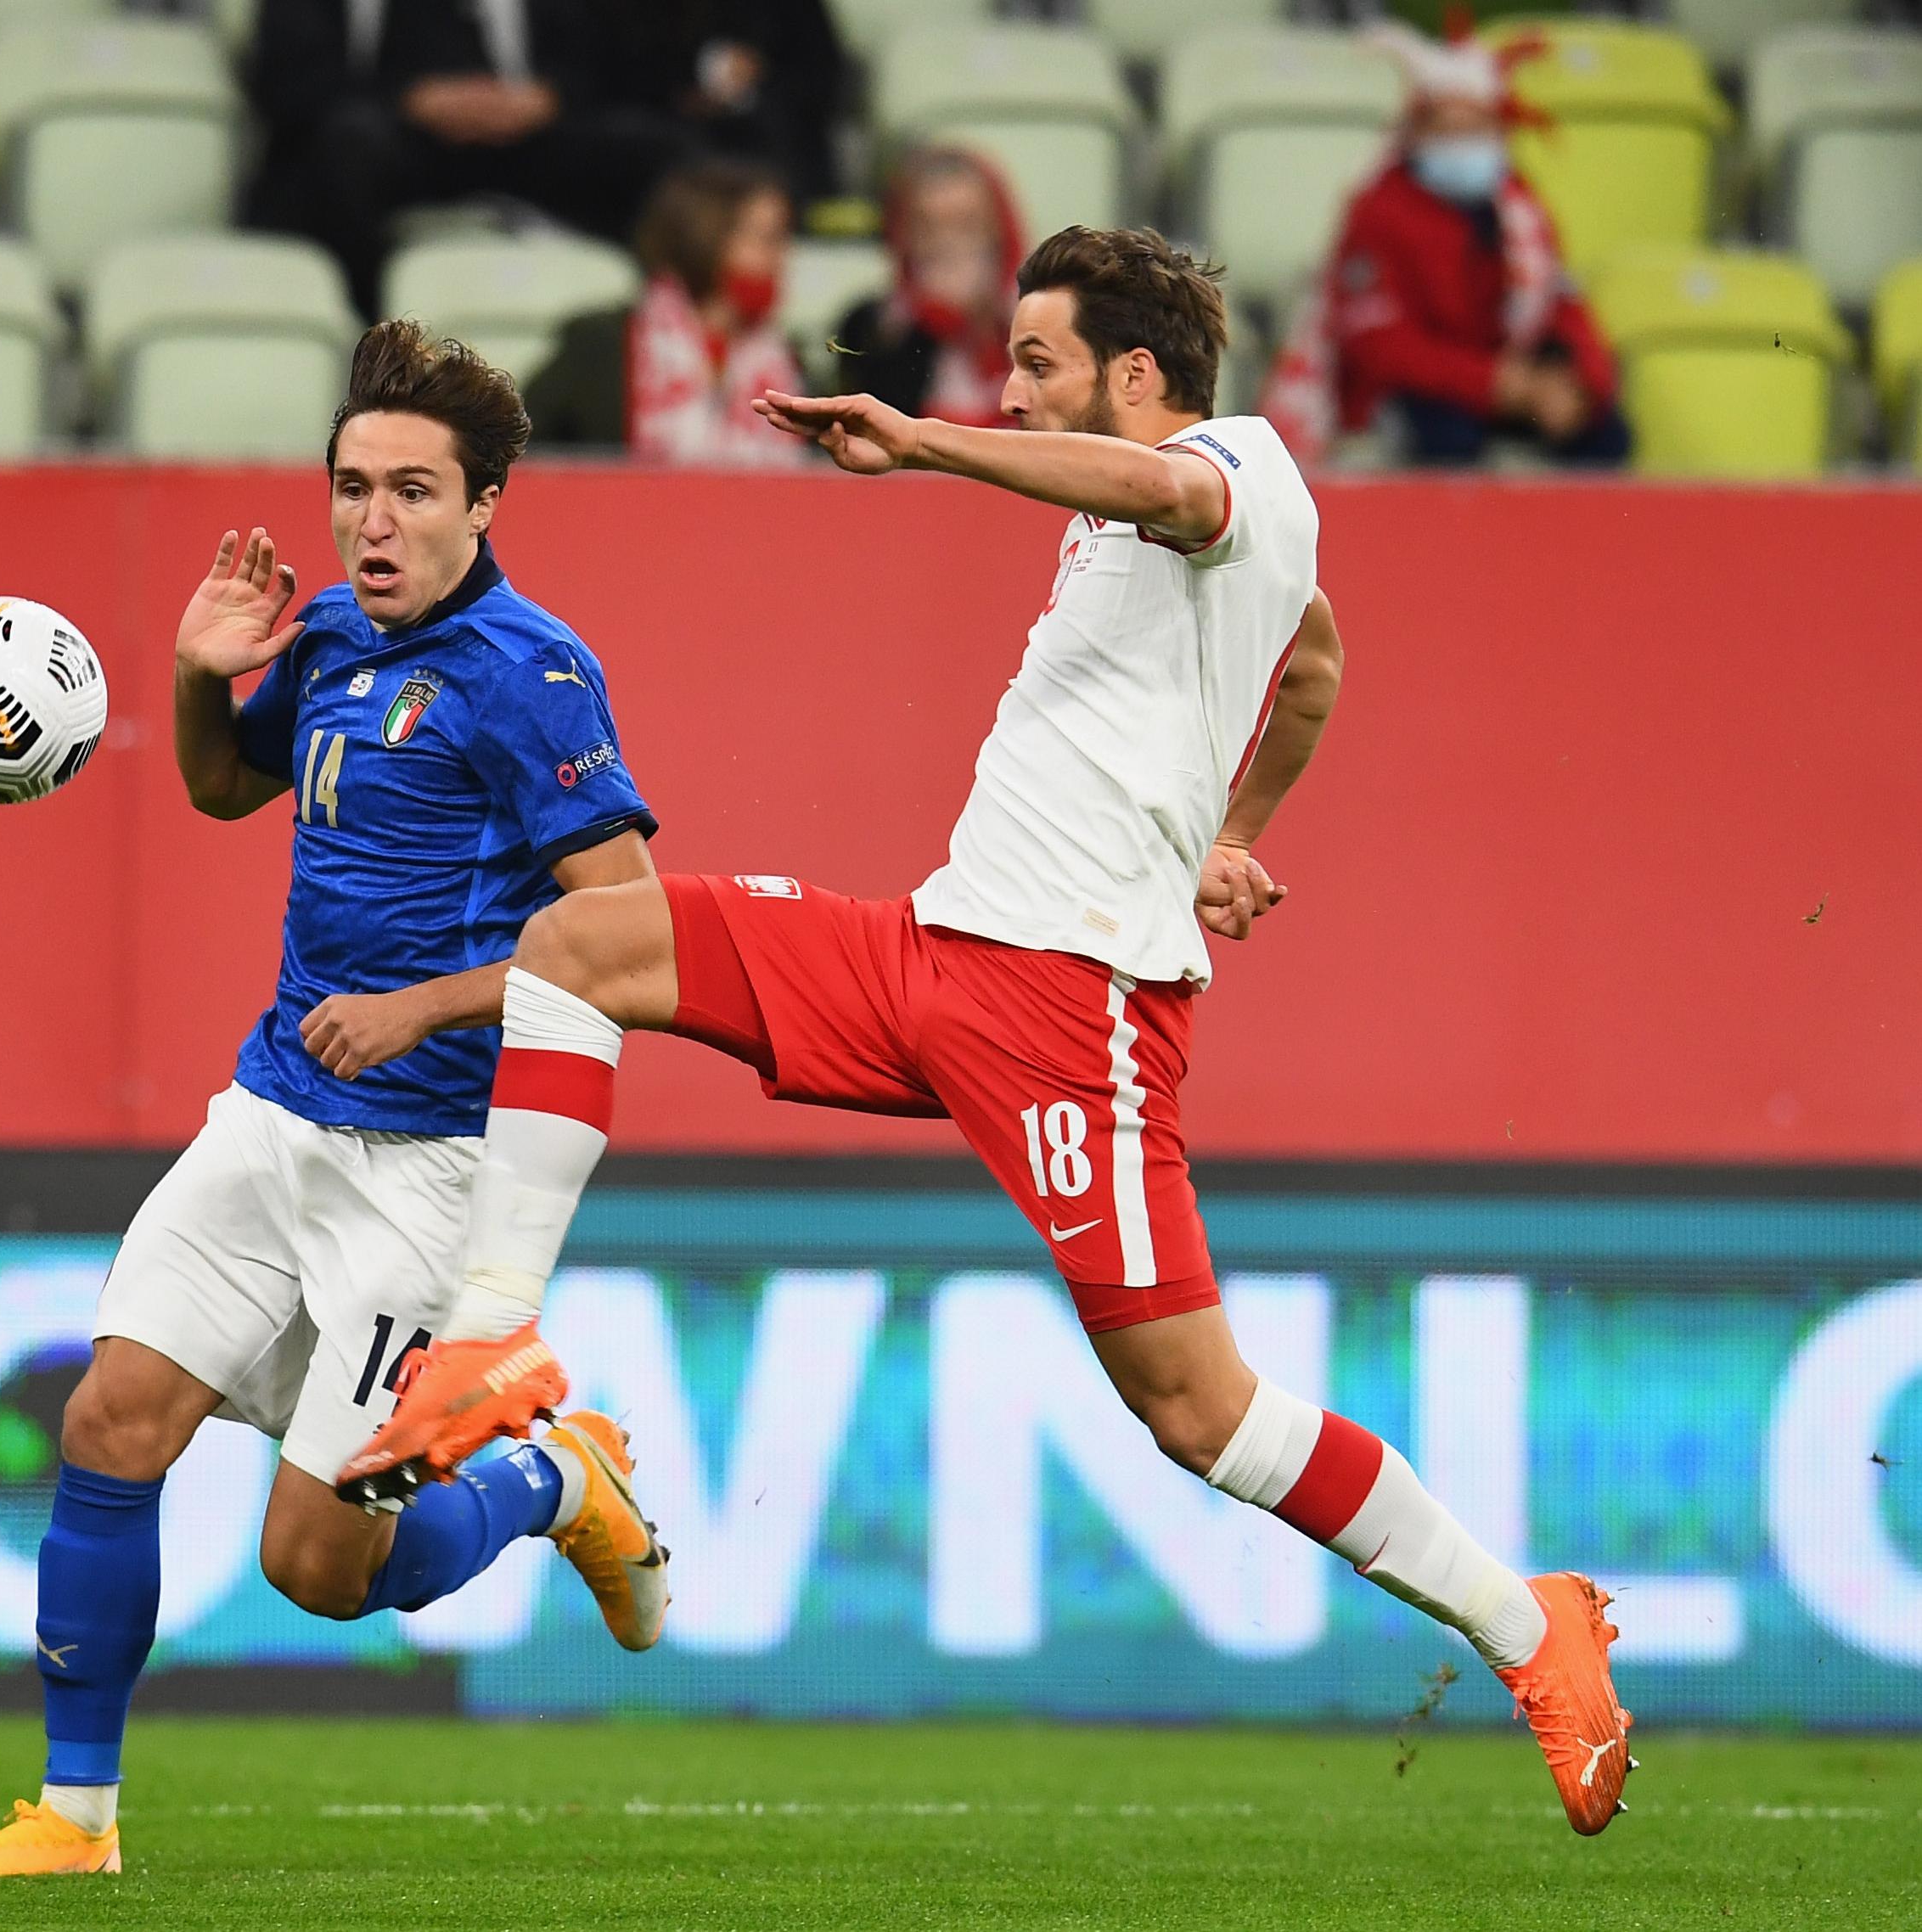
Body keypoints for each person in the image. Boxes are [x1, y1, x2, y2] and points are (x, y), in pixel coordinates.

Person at [342, 227, 1638, 1838]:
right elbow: (1306, 664)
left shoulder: (1240, 469)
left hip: (1066, 1009)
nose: (1012, 395)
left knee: (1196, 1412)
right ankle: (491, 1335)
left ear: (1135, 378)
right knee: (578, 945)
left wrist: (920, 441)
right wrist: (1225, 833)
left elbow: (1191, 516)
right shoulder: (1151, 531)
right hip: (931, 950)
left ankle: (1532, 1628)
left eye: (1037, 366)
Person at [0, 322, 672, 1882]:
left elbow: (633, 933)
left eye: (410, 491)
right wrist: (200, 676)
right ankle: (75, 1821)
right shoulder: (323, 636)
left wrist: (420, 1003)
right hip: (270, 1118)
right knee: (110, 1418)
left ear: (484, 506)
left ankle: (553, 1476)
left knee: (316, 1570)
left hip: (430, 1165)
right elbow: (213, 788)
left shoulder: (533, 678)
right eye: (350, 487)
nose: (371, 522)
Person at [1272, 26, 1627, 467]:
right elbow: (1381, 348)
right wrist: (1493, 383)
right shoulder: (1378, 211)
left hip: (1506, 387)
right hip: (1420, 396)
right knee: (1445, 434)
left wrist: (1578, 386)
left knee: (1604, 432)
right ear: (1418, 132)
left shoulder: (1520, 209)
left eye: (1476, 127)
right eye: (1448, 128)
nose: (1464, 143)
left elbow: (1564, 304)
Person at [244, 0, 683, 313]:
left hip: (521, 141)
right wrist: (408, 97)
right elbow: (285, 85)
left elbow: (615, 67)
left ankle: (658, 326)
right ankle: (370, 324)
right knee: (345, 148)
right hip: (390, 138)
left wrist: (550, 97)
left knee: (651, 150)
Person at [525, 157, 806, 463]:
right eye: (766, 240)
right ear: (703, 237)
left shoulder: (785, 359)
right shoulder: (602, 344)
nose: (781, 258)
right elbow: (522, 448)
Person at [829, 145, 1026, 430]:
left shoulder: (1038, 322)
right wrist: (936, 322)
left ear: (999, 232)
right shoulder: (870, 328)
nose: (946, 244)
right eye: (927, 228)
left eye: (966, 225)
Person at [589, 0, 844, 205]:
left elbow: (823, 78)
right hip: (670, 135)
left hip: (773, 139)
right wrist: (689, 94)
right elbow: (613, 77)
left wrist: (757, 79)